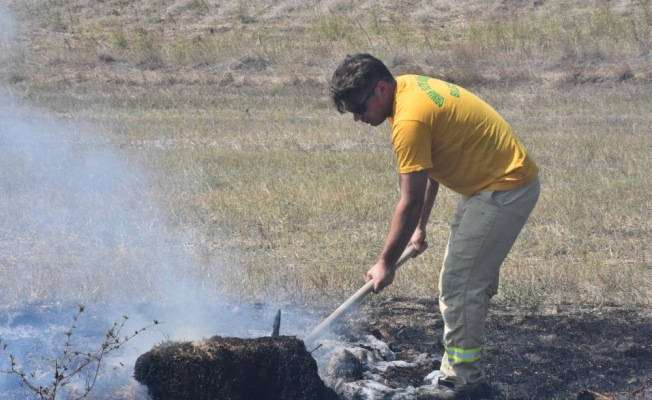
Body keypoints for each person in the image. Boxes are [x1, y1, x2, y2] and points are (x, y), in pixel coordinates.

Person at [330, 53, 540, 400]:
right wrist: (420, 228)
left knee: (460, 284)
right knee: (465, 282)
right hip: (488, 184)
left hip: (504, 187)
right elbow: (428, 169)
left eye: (359, 107)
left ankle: (464, 385)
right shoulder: (408, 88)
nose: (357, 118)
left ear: (382, 88)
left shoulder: (409, 119)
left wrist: (385, 263)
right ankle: (458, 375)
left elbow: (408, 201)